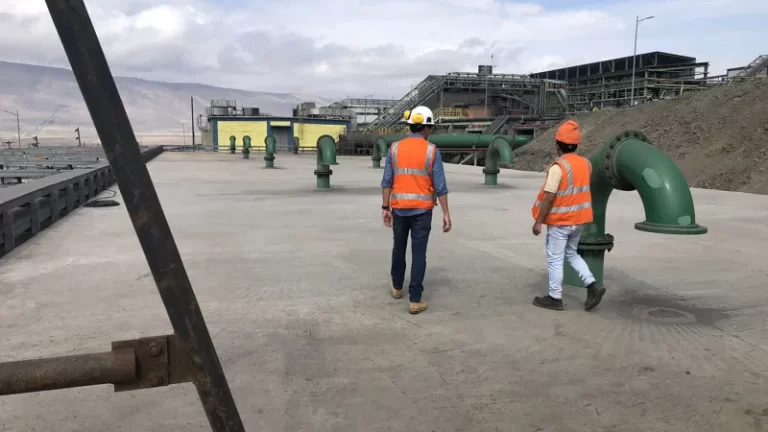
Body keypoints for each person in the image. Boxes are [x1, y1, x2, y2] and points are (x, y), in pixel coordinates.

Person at [381, 106, 451, 314]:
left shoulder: (394, 148)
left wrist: (385, 207)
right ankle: (415, 299)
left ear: (410, 126)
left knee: (399, 247)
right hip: (422, 211)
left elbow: (386, 181)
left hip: (399, 209)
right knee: (418, 252)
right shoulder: (431, 150)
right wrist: (446, 213)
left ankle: (396, 287)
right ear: (427, 127)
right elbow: (440, 186)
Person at [530, 119, 606, 311]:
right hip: (579, 220)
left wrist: (538, 222)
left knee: (555, 258)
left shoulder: (558, 168)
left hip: (561, 222)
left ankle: (555, 298)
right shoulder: (586, 164)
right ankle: (592, 285)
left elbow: (549, 197)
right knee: (571, 254)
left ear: (558, 145)